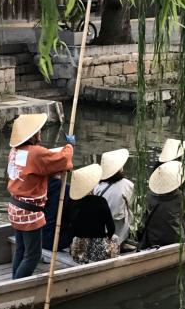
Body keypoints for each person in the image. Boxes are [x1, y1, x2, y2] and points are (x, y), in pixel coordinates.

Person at [6, 112, 74, 280]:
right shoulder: (35, 153)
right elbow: (62, 159)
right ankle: (16, 286)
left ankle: (15, 280)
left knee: (21, 250)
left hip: (15, 207)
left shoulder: (15, 151)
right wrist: (70, 146)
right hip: (29, 213)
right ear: (33, 135)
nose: (40, 134)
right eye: (38, 132)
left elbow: (36, 170)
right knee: (33, 255)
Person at [64, 164, 119, 264]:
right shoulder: (101, 201)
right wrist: (106, 236)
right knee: (115, 238)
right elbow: (111, 228)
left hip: (78, 250)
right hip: (98, 251)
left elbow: (68, 227)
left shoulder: (71, 201)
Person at [137, 160, 185, 248]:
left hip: (152, 239)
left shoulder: (149, 195)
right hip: (174, 238)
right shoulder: (179, 195)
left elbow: (144, 218)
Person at [93, 147, 134, 246]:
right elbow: (131, 206)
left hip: (100, 227)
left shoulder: (97, 186)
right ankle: (123, 242)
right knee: (128, 211)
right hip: (118, 230)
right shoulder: (128, 185)